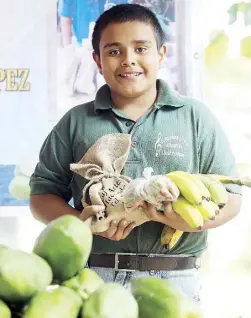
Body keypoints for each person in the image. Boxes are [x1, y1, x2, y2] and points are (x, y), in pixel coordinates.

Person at [30, 3, 242, 305]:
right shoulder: (76, 121)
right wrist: (79, 221)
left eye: (141, 49)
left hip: (176, 279)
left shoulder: (195, 117)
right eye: (114, 51)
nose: (129, 61)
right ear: (97, 60)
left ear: (162, 54)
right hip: (94, 278)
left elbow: (232, 198)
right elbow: (41, 196)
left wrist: (188, 222)